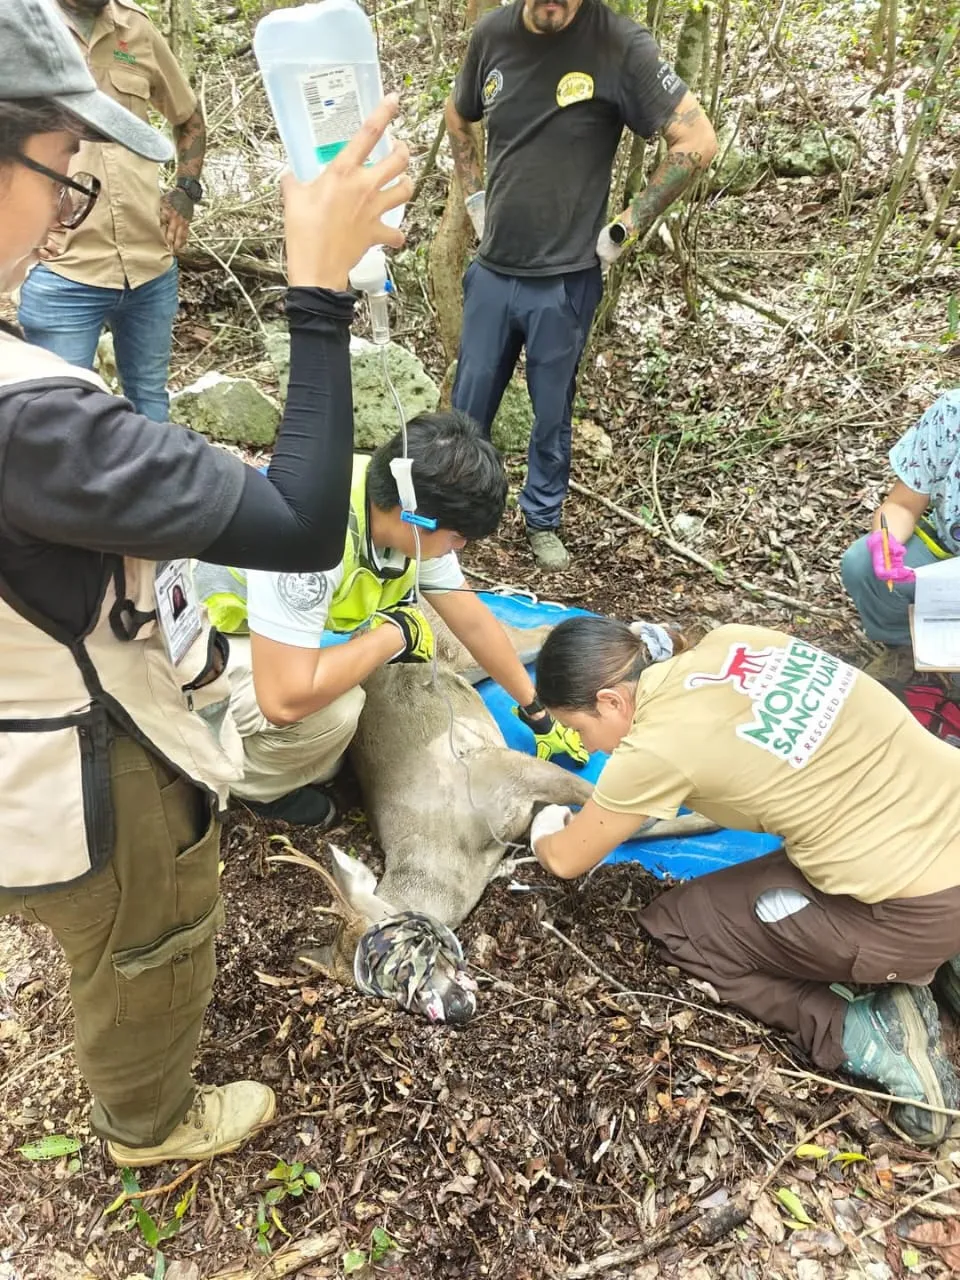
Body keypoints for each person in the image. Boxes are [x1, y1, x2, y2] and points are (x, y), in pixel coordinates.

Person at [0, 0, 411, 1167]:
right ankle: (148, 1122)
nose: (67, 209)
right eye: (65, 174)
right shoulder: (35, 418)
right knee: (152, 938)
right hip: (83, 745)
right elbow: (292, 524)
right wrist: (319, 292)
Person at [528, 615, 960, 1146]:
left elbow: (567, 860)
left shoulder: (655, 747)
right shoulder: (738, 642)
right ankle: (945, 964)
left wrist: (543, 827)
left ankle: (864, 1030)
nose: (590, 749)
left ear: (612, 701)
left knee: (680, 925)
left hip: (912, 908)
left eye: (578, 728)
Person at [195, 411, 589, 825]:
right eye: (457, 536)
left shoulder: (394, 503)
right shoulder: (314, 538)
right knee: (335, 713)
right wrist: (394, 635)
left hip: (259, 632)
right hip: (201, 647)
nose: (459, 547)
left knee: (331, 738)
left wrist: (536, 710)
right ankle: (243, 787)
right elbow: (284, 698)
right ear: (413, 513)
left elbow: (472, 621)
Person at [444, 0, 717, 571]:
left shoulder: (618, 42)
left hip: (565, 279)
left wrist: (629, 223)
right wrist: (474, 199)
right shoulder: (493, 32)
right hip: (494, 269)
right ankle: (454, 520)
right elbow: (459, 115)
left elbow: (696, 141)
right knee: (467, 412)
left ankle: (541, 520)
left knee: (551, 412)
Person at [17, 0, 206, 421]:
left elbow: (188, 115)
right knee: (58, 417)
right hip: (64, 269)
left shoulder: (136, 27)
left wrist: (186, 191)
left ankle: (151, 488)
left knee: (150, 401)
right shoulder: (22, 24)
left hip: (149, 264)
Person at [842, 389, 960, 680]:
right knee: (863, 564)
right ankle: (905, 647)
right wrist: (886, 544)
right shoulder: (953, 414)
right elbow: (902, 504)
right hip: (948, 557)